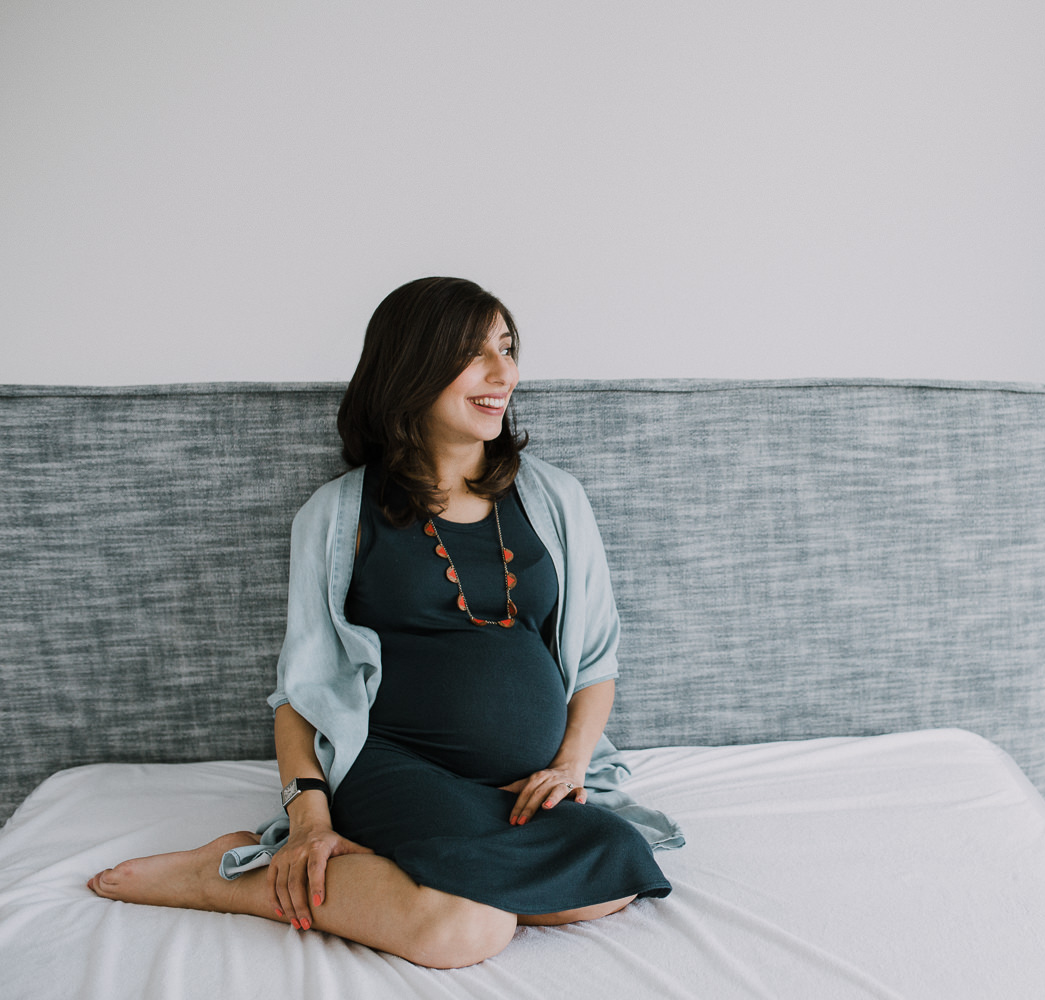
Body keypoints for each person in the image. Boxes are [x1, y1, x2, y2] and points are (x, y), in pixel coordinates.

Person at [86, 276, 678, 969]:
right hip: (392, 764)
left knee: (616, 863)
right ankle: (234, 881)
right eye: (474, 353)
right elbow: (301, 691)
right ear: (411, 368)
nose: (503, 372)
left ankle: (405, 871)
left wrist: (571, 762)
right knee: (466, 930)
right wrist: (309, 822)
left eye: (508, 347)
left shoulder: (556, 499)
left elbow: (598, 660)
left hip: (520, 784)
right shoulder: (337, 516)